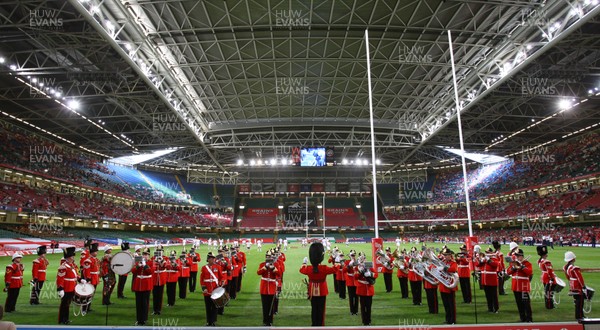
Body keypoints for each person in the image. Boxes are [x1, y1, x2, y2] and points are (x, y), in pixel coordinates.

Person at [299, 242, 338, 326]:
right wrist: (337, 261)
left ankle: (314, 324)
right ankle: (320, 324)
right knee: (321, 309)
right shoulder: (324, 268)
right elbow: (335, 269)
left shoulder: (309, 268)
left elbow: (301, 270)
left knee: (314, 309)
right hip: (322, 290)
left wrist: (304, 263)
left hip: (312, 290)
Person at [507, 249, 533, 322]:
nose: (517, 257)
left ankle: (529, 318)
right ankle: (522, 318)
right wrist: (513, 268)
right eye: (516, 256)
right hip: (515, 286)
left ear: (522, 256)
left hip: (523, 286)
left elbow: (529, 272)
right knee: (519, 303)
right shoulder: (513, 263)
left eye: (518, 256)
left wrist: (522, 266)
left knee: (526, 303)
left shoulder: (527, 263)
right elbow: (508, 272)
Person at [56, 247, 81, 325]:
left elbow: (76, 275)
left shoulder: (72, 265)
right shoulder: (63, 266)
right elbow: (60, 279)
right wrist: (60, 289)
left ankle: (66, 319)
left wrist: (80, 279)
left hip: (72, 287)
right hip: (66, 288)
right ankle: (62, 319)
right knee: (64, 305)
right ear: (69, 257)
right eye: (72, 256)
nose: (73, 257)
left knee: (67, 304)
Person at [564, 251, 588, 320]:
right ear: (572, 259)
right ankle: (580, 316)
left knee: (577, 301)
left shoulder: (566, 267)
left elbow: (568, 277)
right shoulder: (574, 268)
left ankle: (579, 315)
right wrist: (583, 286)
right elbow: (580, 278)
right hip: (577, 286)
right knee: (580, 302)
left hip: (572, 285)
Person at [257, 251, 279, 326]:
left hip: (272, 287)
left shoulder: (275, 264)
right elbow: (258, 272)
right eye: (267, 256)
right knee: (265, 305)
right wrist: (265, 267)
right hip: (264, 287)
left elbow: (279, 274)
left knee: (271, 306)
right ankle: (265, 320)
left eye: (269, 256)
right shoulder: (262, 264)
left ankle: (270, 321)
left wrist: (273, 268)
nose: (268, 257)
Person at [132, 248, 153, 326]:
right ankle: (138, 319)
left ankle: (144, 319)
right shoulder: (138, 261)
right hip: (138, 284)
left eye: (146, 255)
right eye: (143, 254)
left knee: (145, 303)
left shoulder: (151, 262)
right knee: (138, 303)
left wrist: (145, 265)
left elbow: (150, 272)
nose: (144, 256)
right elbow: (133, 271)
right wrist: (138, 266)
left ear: (148, 256)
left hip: (146, 284)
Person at [201, 252, 222, 326]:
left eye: (213, 258)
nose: (213, 259)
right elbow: (202, 279)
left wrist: (220, 284)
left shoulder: (218, 267)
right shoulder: (204, 268)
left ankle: (213, 321)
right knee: (208, 307)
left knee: (214, 306)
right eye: (211, 258)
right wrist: (204, 288)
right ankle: (208, 321)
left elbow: (221, 277)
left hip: (215, 290)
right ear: (208, 259)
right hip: (207, 290)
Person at [356, 259, 377, 326]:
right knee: (363, 307)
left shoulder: (370, 268)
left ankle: (369, 320)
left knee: (368, 307)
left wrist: (370, 273)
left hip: (369, 290)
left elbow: (376, 274)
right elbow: (355, 277)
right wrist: (361, 272)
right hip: (362, 290)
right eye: (362, 262)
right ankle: (364, 321)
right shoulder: (358, 268)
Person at [439, 249, 458, 324]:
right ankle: (448, 319)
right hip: (443, 286)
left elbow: (453, 269)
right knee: (446, 304)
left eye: (446, 255)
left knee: (451, 304)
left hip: (450, 285)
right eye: (444, 255)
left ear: (450, 255)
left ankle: (453, 320)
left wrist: (444, 268)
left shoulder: (453, 262)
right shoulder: (443, 262)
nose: (445, 256)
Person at [478, 247, 499, 313]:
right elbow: (478, 265)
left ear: (491, 253)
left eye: (488, 252)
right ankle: (490, 308)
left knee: (494, 296)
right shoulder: (484, 259)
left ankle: (496, 309)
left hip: (492, 280)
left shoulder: (494, 259)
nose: (486, 254)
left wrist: (488, 260)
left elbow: (495, 265)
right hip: (485, 280)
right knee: (488, 295)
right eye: (486, 252)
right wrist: (481, 260)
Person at [81, 243, 100, 313]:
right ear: (92, 252)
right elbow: (86, 272)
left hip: (95, 279)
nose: (97, 252)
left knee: (91, 294)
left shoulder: (96, 259)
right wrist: (88, 279)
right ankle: (84, 309)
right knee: (87, 294)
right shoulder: (88, 261)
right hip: (91, 279)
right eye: (96, 251)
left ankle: (88, 307)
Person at [537, 245, 558, 309]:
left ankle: (548, 304)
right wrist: (552, 278)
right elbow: (549, 271)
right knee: (549, 292)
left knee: (547, 291)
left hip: (544, 277)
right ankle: (549, 305)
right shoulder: (546, 262)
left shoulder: (540, 261)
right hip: (548, 278)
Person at [149, 249, 167, 315]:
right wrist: (155, 261)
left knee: (160, 295)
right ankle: (154, 309)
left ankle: (159, 309)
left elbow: (164, 267)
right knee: (154, 295)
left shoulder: (164, 260)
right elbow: (151, 268)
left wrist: (161, 261)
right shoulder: (152, 260)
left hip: (161, 279)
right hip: (154, 279)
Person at [345, 250, 359, 315]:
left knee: (356, 297)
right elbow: (344, 270)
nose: (353, 256)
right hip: (350, 281)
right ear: (350, 256)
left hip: (356, 281)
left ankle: (356, 310)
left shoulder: (357, 261)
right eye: (352, 255)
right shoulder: (347, 261)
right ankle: (351, 310)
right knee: (351, 297)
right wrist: (349, 265)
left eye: (354, 255)